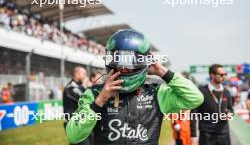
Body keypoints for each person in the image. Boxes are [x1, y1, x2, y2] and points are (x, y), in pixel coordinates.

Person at [65, 29, 204, 145]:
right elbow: (73, 135)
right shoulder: (93, 94)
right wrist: (99, 101)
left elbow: (195, 98)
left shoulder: (157, 93)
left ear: (145, 62)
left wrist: (162, 71)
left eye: (131, 62)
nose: (124, 68)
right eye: (118, 61)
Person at [191, 64, 233, 145]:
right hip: (207, 135)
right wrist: (193, 136)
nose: (224, 77)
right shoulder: (201, 91)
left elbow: (231, 109)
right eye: (221, 75)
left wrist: (229, 114)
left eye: (225, 74)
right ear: (212, 75)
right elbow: (193, 114)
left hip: (224, 134)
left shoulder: (227, 92)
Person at [63, 66, 91, 145]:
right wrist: (85, 86)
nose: (86, 76)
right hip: (74, 124)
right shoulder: (70, 87)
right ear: (77, 74)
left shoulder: (79, 86)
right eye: (84, 74)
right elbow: (83, 98)